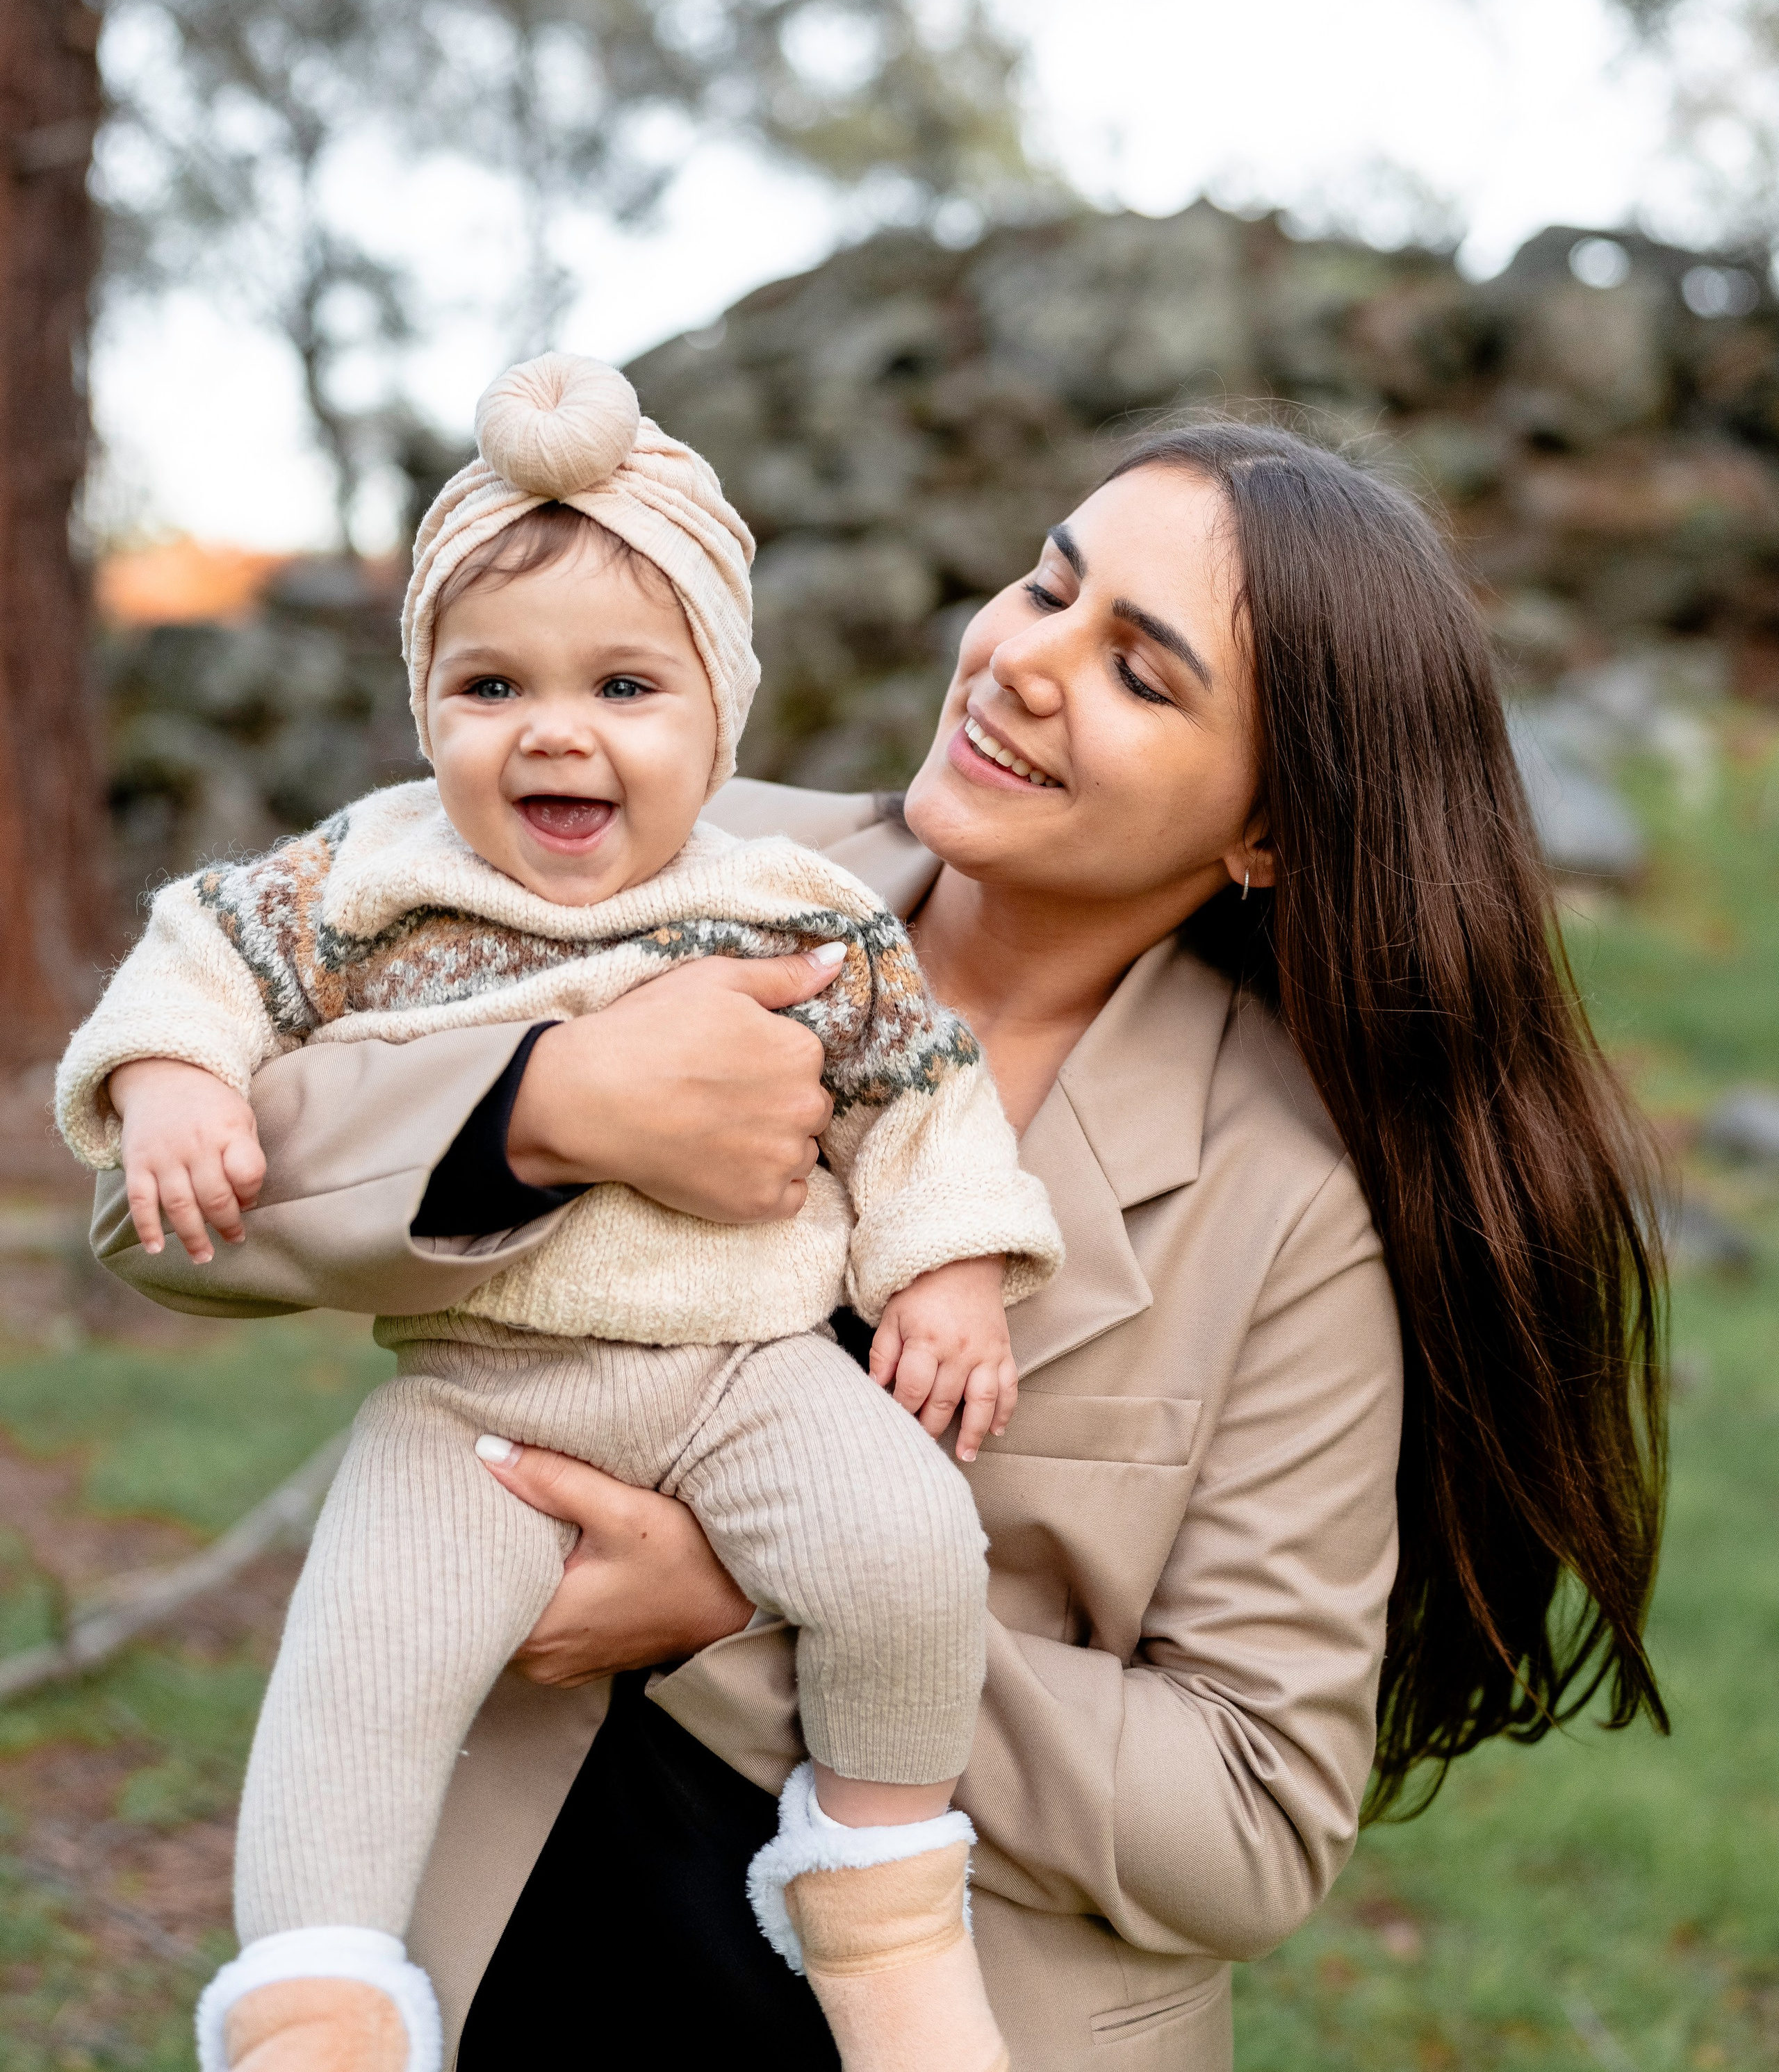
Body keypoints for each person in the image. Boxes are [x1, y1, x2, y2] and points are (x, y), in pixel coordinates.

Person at [88, 418, 1666, 2072]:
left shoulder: (1285, 1205)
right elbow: (157, 1204)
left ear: (1264, 830)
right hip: (504, 1949)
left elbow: (1248, 1820)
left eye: (1137, 672)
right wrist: (544, 1108)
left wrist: (741, 1611)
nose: (1023, 661)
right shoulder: (657, 840)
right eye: (1046, 586)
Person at [58, 353, 1064, 2072]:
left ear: (716, 718)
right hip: (484, 1394)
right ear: (424, 705)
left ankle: (881, 1894)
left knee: (909, 1549)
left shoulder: (788, 904)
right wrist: (172, 1079)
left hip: (754, 1371)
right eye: (488, 683)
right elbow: (202, 950)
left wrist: (950, 1272)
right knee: (364, 1659)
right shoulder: (373, 874)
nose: (552, 728)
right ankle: (313, 1991)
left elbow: (920, 1088)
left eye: (623, 684)